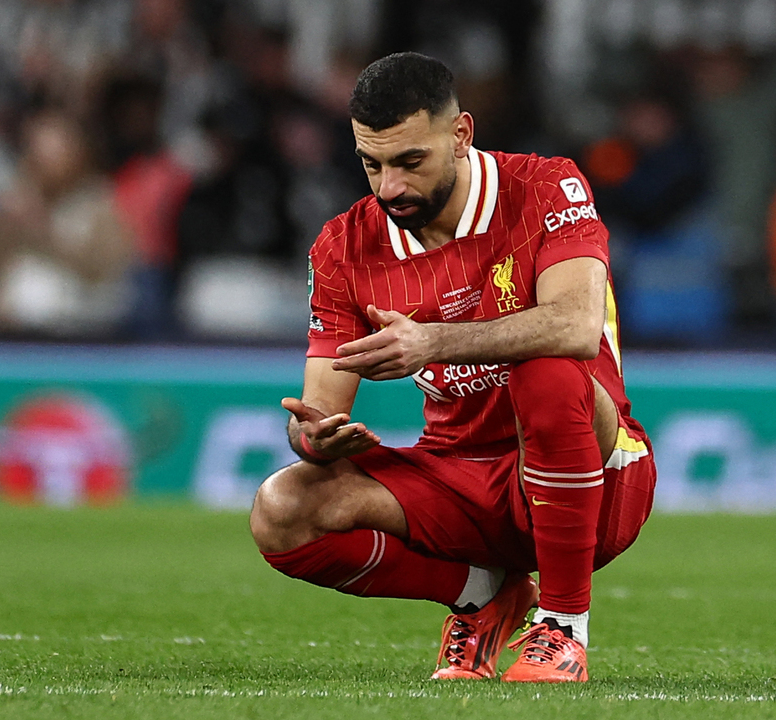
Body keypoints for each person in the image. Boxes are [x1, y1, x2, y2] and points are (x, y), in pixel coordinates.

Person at [248, 52, 655, 683]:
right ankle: (481, 594)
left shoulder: (545, 187)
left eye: (410, 162)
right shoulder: (344, 247)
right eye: (372, 164)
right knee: (282, 508)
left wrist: (433, 342)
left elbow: (576, 327)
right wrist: (314, 438)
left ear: (461, 134)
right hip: (458, 478)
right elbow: (318, 408)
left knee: (544, 369)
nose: (390, 187)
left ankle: (563, 627)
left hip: (597, 479)